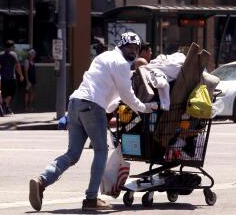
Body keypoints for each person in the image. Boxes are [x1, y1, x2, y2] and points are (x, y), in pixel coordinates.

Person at [28, 32, 157, 212]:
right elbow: (127, 96)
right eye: (130, 47)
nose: (133, 51)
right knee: (101, 150)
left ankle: (41, 180)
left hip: (75, 104)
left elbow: (112, 99)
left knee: (72, 154)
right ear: (121, 45)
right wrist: (146, 108)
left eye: (136, 48)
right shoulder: (121, 64)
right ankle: (91, 199)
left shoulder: (104, 56)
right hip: (92, 105)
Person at [0, 40, 24, 114]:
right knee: (11, 93)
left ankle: (6, 108)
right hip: (11, 77)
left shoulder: (0, 55)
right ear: (11, 47)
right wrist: (21, 75)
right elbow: (17, 66)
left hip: (2, 78)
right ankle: (4, 104)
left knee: (4, 93)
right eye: (13, 46)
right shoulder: (13, 55)